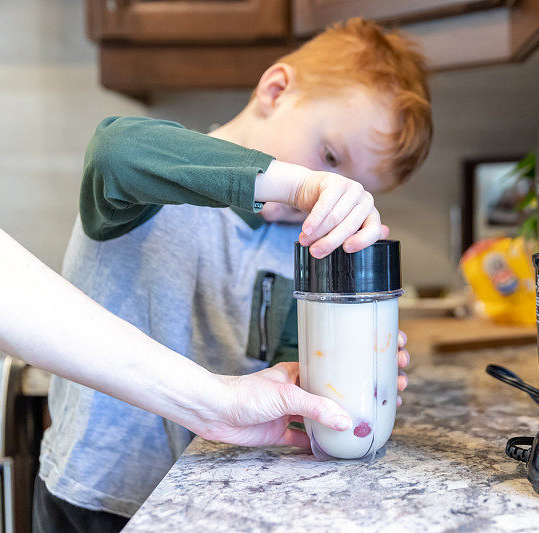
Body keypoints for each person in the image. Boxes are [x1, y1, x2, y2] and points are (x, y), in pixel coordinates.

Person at [36, 17, 432, 531]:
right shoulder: (159, 181)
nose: (328, 198)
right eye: (329, 159)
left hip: (200, 500)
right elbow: (115, 152)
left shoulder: (303, 247)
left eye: (349, 187)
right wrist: (293, 184)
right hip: (94, 496)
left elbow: (286, 377)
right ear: (275, 89)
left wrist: (348, 373)